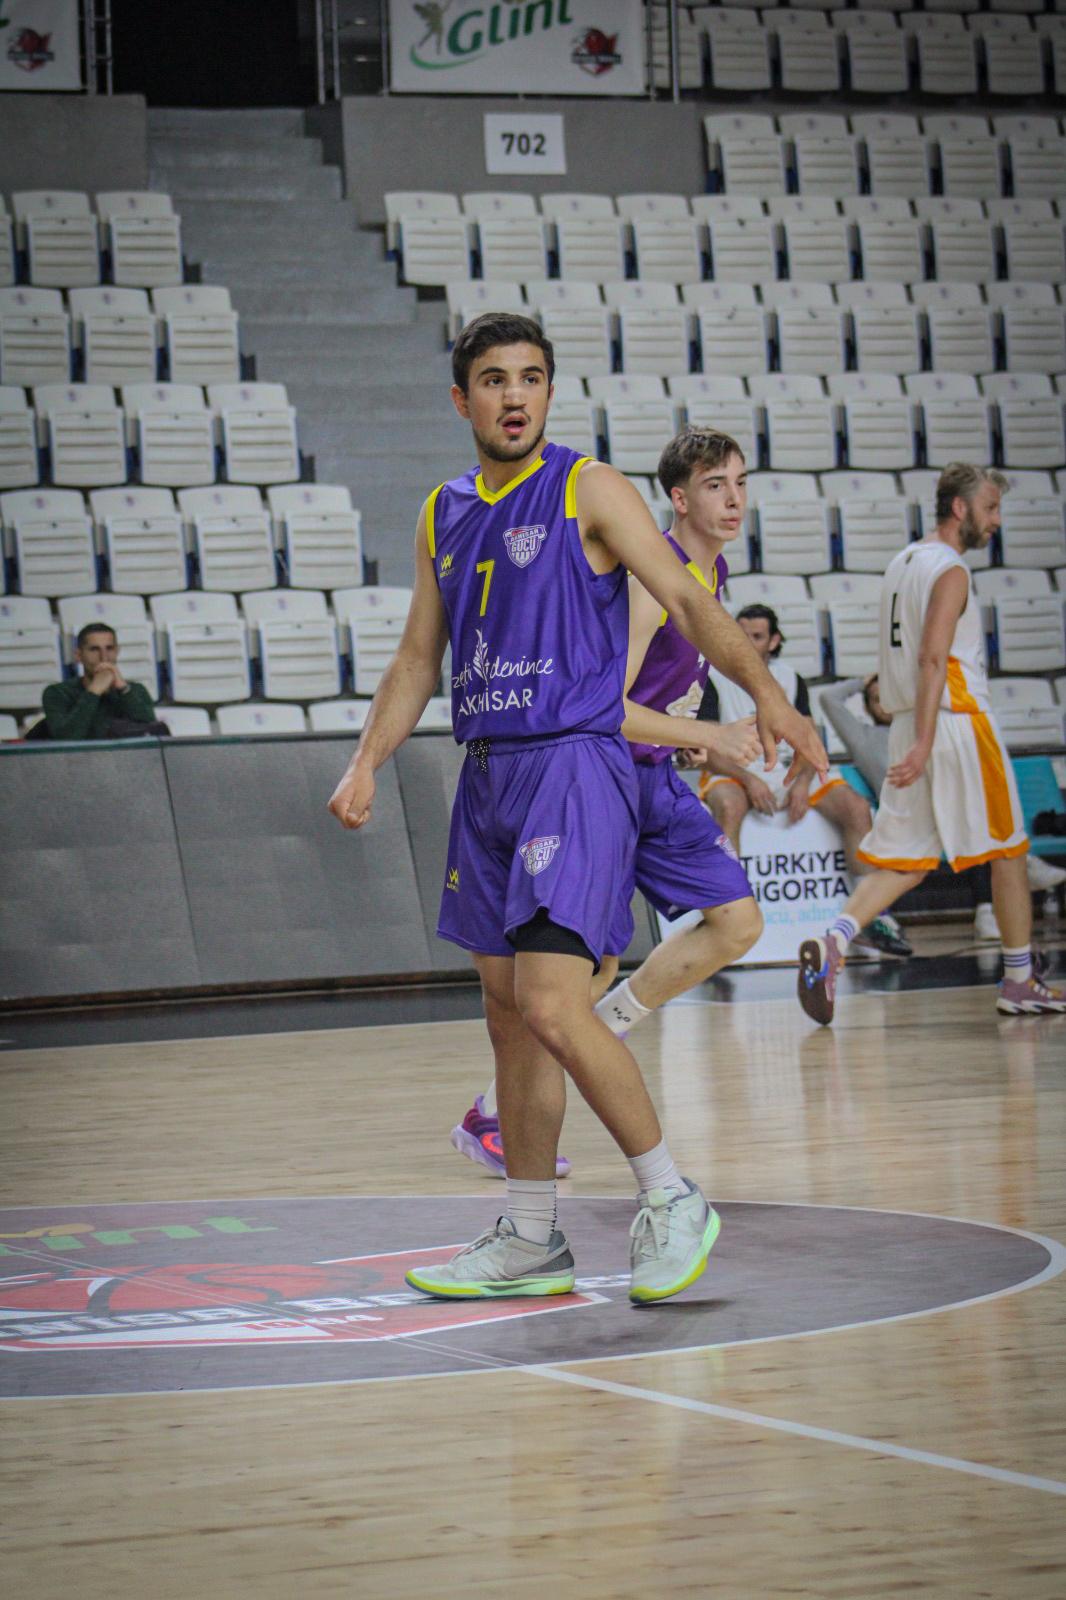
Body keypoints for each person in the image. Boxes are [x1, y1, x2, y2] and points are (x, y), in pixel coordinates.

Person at [328, 314, 828, 1304]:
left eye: (531, 377)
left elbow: (689, 602)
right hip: (487, 773)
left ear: (549, 393)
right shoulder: (441, 512)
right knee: (509, 1019)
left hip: (573, 765)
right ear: (462, 398)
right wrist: (365, 761)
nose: (513, 395)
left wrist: (767, 696)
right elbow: (419, 655)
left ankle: (671, 1196)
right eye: (493, 379)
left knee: (556, 1004)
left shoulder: (588, 487)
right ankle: (530, 1236)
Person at [452, 428, 766, 1180]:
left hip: (654, 778)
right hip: (595, 780)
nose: (733, 500)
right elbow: (601, 708)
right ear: (679, 498)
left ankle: (607, 1029)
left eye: (740, 483)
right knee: (578, 972)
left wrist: (687, 737)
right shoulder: (651, 582)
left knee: (737, 922)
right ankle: (494, 1112)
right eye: (716, 486)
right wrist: (708, 733)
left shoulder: (711, 573)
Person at [797, 462, 1066, 1023]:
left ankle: (834, 939)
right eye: (990, 508)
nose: (996, 521)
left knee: (908, 860)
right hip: (952, 723)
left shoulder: (902, 563)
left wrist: (915, 739)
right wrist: (926, 739)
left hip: (906, 724)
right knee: (1010, 852)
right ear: (960, 508)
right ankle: (1020, 981)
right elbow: (931, 658)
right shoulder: (951, 570)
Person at [697, 605, 912, 957]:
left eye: (757, 636)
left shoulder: (790, 678)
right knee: (729, 805)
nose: (747, 642)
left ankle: (872, 918)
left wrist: (801, 782)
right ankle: (727, 914)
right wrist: (749, 780)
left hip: (788, 767)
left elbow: (809, 738)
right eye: (742, 634)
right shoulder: (713, 678)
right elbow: (708, 747)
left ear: (774, 641)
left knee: (856, 807)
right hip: (736, 767)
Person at [40, 623, 167, 741]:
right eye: (94, 649)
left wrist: (123, 689)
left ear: (117, 652)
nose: (104, 657)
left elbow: (152, 734)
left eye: (109, 648)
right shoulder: (56, 693)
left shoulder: (135, 690)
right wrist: (93, 692)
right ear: (78, 655)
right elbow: (66, 739)